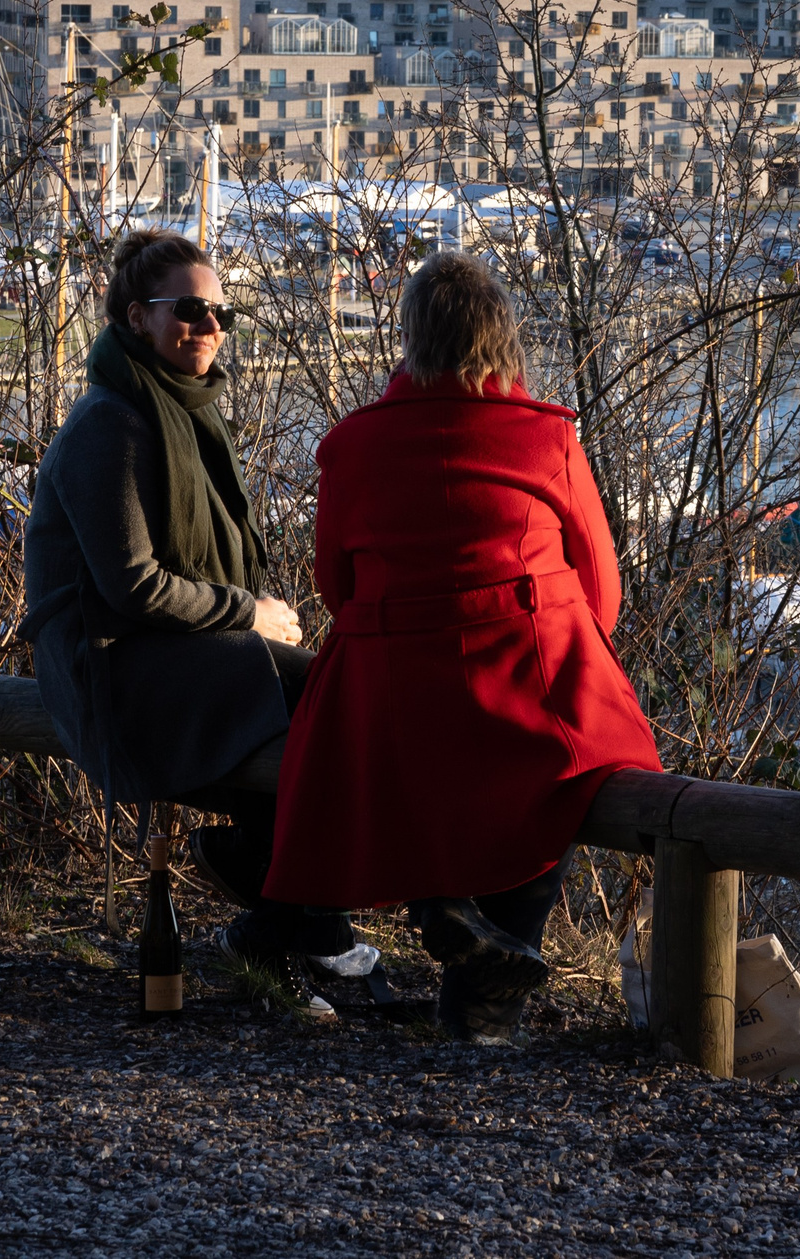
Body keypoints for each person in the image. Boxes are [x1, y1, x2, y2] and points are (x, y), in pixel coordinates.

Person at [265, 251, 663, 1042]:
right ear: (503, 337)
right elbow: (603, 588)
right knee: (567, 775)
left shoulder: (351, 446)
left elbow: (333, 584)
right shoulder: (546, 437)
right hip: (525, 671)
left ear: (410, 339)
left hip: (390, 683)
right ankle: (487, 989)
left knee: (404, 757)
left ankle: (448, 912)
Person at [21, 229, 367, 995]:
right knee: (308, 696)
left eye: (220, 313)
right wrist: (246, 612)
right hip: (107, 662)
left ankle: (274, 910)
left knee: (336, 695)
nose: (209, 328)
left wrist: (245, 619)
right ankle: (295, 915)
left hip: (166, 650)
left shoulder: (189, 411)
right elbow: (133, 585)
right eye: (189, 310)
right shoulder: (110, 423)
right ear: (137, 316)